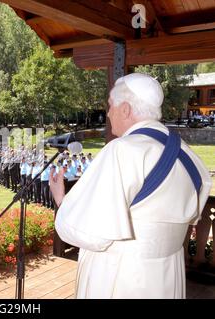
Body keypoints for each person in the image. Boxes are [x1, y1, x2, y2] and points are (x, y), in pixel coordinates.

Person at [49, 73, 212, 299]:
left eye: (110, 106)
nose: (108, 113)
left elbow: (90, 233)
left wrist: (61, 200)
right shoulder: (188, 155)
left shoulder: (122, 150)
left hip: (122, 276)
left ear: (125, 109)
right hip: (168, 275)